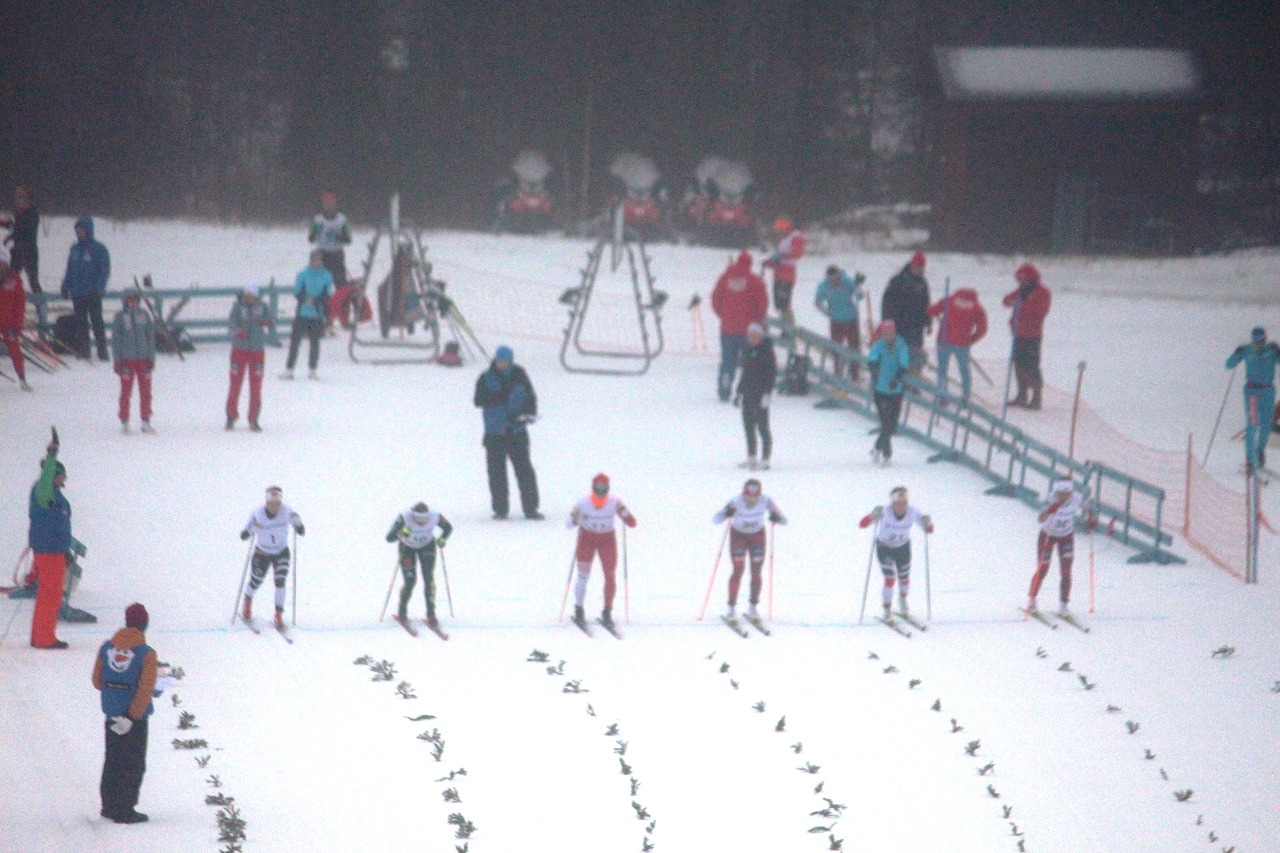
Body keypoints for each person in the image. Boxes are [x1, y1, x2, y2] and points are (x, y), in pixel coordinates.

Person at [92, 603, 159, 824]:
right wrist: (132, 716)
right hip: (134, 720)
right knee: (133, 764)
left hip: (111, 715)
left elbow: (97, 681)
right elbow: (145, 689)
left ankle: (109, 806)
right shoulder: (147, 654)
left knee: (112, 761)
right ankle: (125, 809)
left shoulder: (106, 648)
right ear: (144, 624)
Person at [474, 345, 542, 519]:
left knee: (524, 470)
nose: (501, 364)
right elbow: (478, 400)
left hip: (517, 432)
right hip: (494, 434)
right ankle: (500, 509)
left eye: (505, 361)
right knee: (496, 472)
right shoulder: (485, 378)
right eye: (499, 361)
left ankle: (530, 508)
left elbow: (530, 398)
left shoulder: (520, 375)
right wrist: (499, 400)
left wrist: (528, 414)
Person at [567, 473, 637, 630]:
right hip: (587, 540)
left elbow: (631, 521)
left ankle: (607, 611)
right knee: (583, 576)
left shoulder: (614, 502)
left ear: (608, 488)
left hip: (607, 541)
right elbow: (568, 523)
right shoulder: (583, 502)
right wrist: (575, 519)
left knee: (610, 575)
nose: (600, 491)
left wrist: (627, 517)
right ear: (593, 488)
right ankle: (579, 609)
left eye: (603, 488)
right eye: (597, 488)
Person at [712, 478, 786, 622]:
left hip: (757, 537)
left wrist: (776, 517)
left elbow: (784, 520)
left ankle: (753, 608)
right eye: (748, 496)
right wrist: (726, 513)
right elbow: (716, 519)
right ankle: (731, 608)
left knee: (756, 570)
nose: (752, 500)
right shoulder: (736, 501)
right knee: (738, 569)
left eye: (755, 497)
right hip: (738, 537)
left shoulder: (766, 501)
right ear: (743, 493)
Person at [858, 486, 933, 618]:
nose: (901, 507)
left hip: (903, 548)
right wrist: (872, 515)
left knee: (904, 578)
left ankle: (902, 599)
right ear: (892, 503)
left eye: (904, 503)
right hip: (884, 547)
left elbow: (928, 530)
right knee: (890, 578)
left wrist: (928, 523)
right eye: (898, 503)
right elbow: (862, 525)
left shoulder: (913, 512)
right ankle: (887, 607)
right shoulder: (884, 512)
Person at [239, 486, 304, 629]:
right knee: (256, 580)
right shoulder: (258, 514)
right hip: (263, 552)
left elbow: (298, 525)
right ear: (266, 503)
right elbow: (243, 534)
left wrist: (298, 525)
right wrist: (251, 530)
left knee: (280, 581)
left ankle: (278, 614)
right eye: (272, 504)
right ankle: (247, 600)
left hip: (281, 551)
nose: (275, 508)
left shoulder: (287, 512)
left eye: (278, 504)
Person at [1027, 478, 1093, 616]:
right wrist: (1050, 510)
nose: (1062, 497)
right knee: (1043, 568)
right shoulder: (1049, 499)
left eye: (1066, 493)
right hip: (1047, 536)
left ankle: (1063, 605)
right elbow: (1040, 519)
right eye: (1059, 493)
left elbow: (1090, 509)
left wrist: (1092, 518)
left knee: (1066, 571)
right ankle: (1032, 600)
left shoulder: (1077, 499)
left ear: (1071, 492)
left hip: (1066, 537)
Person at [28, 438, 70, 648]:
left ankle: (40, 635)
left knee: (48, 595)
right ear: (53, 475)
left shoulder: (52, 492)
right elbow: (45, 476)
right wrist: (52, 456)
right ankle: (44, 638)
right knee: (50, 597)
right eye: (61, 475)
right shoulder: (44, 490)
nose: (64, 480)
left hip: (54, 551)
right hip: (49, 552)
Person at [711, 251, 768, 402]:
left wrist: (723, 315)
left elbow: (715, 298)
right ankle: (749, 390)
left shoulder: (724, 278)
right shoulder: (755, 281)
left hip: (727, 329)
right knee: (750, 362)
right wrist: (757, 321)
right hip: (747, 331)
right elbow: (762, 304)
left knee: (728, 361)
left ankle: (724, 388)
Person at [385, 502, 454, 628]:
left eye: (424, 518)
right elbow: (389, 537)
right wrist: (401, 533)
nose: (421, 521)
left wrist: (443, 538)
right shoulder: (404, 517)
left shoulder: (435, 516)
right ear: (413, 515)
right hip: (407, 548)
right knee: (410, 581)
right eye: (418, 518)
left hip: (427, 546)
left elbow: (448, 527)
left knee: (429, 578)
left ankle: (431, 613)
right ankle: (402, 611)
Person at [1226, 327, 1280, 473]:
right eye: (1256, 342)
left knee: (1266, 425)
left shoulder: (1271, 350)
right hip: (1252, 392)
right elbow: (1229, 365)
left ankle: (1259, 451)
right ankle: (1250, 458)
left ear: (1265, 339)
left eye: (1261, 342)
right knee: (1253, 424)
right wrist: (1236, 353)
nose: (1258, 345)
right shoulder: (1247, 350)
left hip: (1268, 391)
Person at [60, 215, 112, 361]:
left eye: (81, 230)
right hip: (78, 293)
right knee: (81, 324)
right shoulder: (75, 249)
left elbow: (104, 270)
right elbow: (70, 270)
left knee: (97, 323)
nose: (79, 232)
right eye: (77, 230)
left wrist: (99, 289)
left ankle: (102, 352)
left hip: (93, 294)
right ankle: (84, 352)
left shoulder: (99, 249)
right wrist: (65, 286)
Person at [927, 285, 988, 404]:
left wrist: (933, 311)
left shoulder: (948, 301)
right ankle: (965, 396)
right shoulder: (977, 308)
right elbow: (982, 328)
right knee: (964, 370)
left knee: (942, 369)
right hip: (962, 344)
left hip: (944, 340)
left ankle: (942, 395)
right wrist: (972, 339)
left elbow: (931, 310)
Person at [1002, 263, 1051, 410]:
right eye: (1019, 279)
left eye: (1024, 279)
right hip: (1018, 333)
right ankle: (1022, 395)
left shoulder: (1043, 292)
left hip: (1033, 334)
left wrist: (1021, 305)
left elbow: (1040, 310)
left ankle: (1036, 397)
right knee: (1019, 364)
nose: (1021, 282)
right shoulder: (1022, 291)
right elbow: (1006, 300)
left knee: (1032, 365)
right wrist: (1013, 302)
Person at [282, 249, 335, 380]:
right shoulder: (303, 274)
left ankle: (312, 369)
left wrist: (319, 300)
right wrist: (306, 299)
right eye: (314, 259)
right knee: (295, 341)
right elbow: (297, 291)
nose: (317, 262)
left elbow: (329, 292)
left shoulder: (327, 275)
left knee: (315, 343)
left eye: (319, 259)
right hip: (302, 313)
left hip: (317, 314)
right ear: (310, 260)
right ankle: (289, 368)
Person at [226, 283, 273, 431]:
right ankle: (231, 416)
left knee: (256, 386)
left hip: (257, 350)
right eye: (247, 295)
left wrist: (267, 323)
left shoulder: (263, 307)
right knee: (235, 383)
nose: (250, 298)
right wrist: (238, 331)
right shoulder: (238, 307)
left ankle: (254, 419)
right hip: (239, 349)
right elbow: (231, 323)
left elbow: (270, 321)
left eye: (252, 295)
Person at [866, 320, 911, 466]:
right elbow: (872, 360)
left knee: (892, 424)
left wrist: (897, 378)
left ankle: (877, 447)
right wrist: (874, 370)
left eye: (890, 333)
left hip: (896, 391)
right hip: (880, 391)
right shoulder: (878, 346)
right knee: (885, 422)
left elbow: (904, 364)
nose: (887, 336)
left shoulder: (901, 346)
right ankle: (887, 454)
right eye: (884, 334)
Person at [111, 291, 156, 433]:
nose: (133, 302)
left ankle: (145, 420)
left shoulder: (144, 315)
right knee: (125, 392)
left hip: (143, 360)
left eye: (135, 299)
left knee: (146, 392)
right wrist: (118, 360)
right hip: (127, 361)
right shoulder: (120, 317)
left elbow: (151, 337)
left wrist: (151, 357)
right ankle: (124, 421)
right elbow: (116, 340)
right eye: (130, 300)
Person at [735, 322, 777, 470]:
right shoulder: (747, 350)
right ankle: (751, 456)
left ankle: (765, 458)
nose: (750, 338)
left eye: (753, 335)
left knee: (762, 427)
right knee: (748, 426)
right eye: (749, 335)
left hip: (760, 394)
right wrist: (739, 392)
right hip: (748, 393)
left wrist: (767, 393)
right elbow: (745, 373)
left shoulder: (767, 352)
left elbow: (771, 374)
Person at [881, 251, 930, 375]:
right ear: (911, 265)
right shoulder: (898, 281)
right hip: (899, 325)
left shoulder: (922, 283)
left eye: (921, 267)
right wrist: (887, 322)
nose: (918, 269)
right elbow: (887, 303)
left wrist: (928, 322)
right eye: (916, 266)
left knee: (916, 356)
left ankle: (911, 382)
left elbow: (926, 304)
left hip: (916, 328)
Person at [814, 264, 865, 381]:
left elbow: (860, 296)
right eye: (832, 280)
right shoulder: (824, 286)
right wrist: (826, 312)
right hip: (836, 321)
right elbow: (817, 302)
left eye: (837, 279)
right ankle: (838, 374)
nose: (835, 282)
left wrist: (857, 286)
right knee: (836, 348)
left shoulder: (847, 281)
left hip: (851, 319)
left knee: (854, 347)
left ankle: (855, 375)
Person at [762, 217, 804, 326]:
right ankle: (785, 326)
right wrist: (770, 262)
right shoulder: (784, 239)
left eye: (780, 229)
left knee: (785, 304)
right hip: (778, 275)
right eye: (777, 230)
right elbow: (780, 257)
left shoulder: (795, 237)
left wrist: (780, 256)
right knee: (780, 305)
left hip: (787, 275)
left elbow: (797, 254)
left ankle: (789, 328)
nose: (778, 232)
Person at [1, 248, 32, 390]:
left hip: (9, 323)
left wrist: (17, 325)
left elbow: (20, 305)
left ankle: (22, 378)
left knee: (15, 350)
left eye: (2, 262)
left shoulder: (14, 279)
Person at [1, 186, 41, 292]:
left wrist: (11, 236)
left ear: (28, 200)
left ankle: (41, 306)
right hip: (17, 250)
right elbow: (16, 227)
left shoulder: (32, 213)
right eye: (18, 199)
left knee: (33, 280)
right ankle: (10, 302)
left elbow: (24, 231)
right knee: (11, 278)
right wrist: (6, 226)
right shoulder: (18, 213)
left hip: (29, 251)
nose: (19, 201)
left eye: (22, 198)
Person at [308, 191, 352, 288]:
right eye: (326, 205)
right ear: (323, 205)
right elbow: (311, 238)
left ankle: (342, 301)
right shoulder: (317, 220)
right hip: (322, 254)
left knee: (340, 282)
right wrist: (315, 233)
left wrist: (340, 237)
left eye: (331, 204)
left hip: (337, 254)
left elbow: (349, 239)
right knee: (320, 283)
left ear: (335, 205)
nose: (329, 207)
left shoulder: (342, 220)